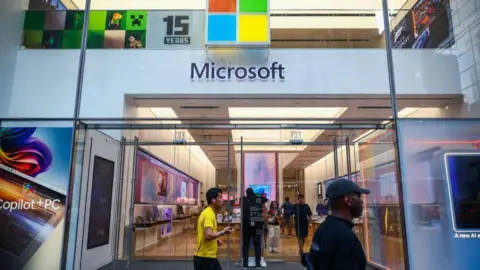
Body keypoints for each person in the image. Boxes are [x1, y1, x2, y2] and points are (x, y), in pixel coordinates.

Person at [310, 178, 370, 270]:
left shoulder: (323, 228)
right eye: (359, 197)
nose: (361, 201)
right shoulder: (346, 238)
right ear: (348, 200)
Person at [194, 188, 233, 270]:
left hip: (208, 257)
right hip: (205, 258)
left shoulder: (209, 212)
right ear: (213, 200)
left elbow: (207, 233)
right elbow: (208, 235)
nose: (222, 200)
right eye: (220, 197)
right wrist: (223, 232)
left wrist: (216, 239)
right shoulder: (209, 214)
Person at [241, 188, 267, 269]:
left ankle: (245, 263)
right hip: (257, 225)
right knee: (257, 244)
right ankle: (258, 264)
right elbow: (265, 203)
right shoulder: (259, 199)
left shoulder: (243, 199)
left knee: (246, 244)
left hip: (246, 225)